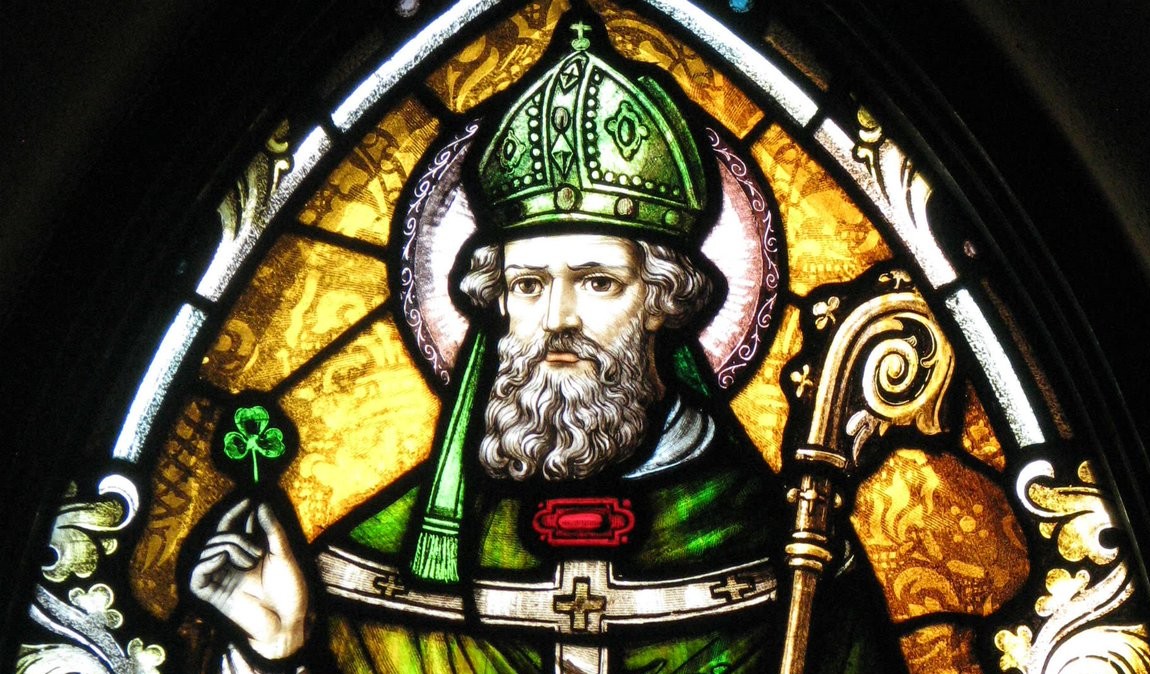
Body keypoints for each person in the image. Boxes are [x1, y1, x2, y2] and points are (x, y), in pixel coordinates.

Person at [188, 21, 902, 674]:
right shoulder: (386, 558)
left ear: (664, 301)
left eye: (597, 282)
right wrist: (276, 651)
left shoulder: (788, 553)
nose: (557, 319)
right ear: (496, 303)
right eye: (527, 285)